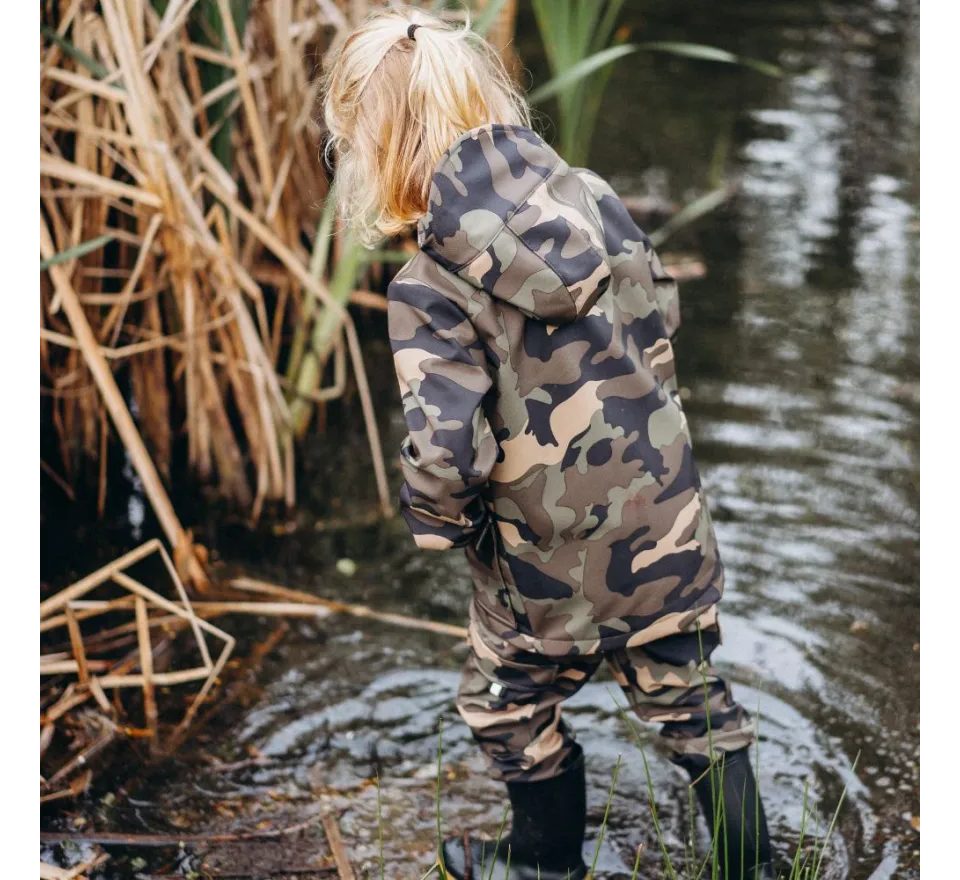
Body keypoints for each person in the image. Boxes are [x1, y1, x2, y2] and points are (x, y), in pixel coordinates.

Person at [322, 6, 774, 879]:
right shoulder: (596, 197)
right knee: (694, 706)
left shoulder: (430, 286)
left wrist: (445, 531)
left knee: (506, 708)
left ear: (375, 148)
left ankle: (542, 867)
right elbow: (662, 325)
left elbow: (447, 452)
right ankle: (753, 870)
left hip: (543, 564)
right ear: (483, 100)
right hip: (665, 525)